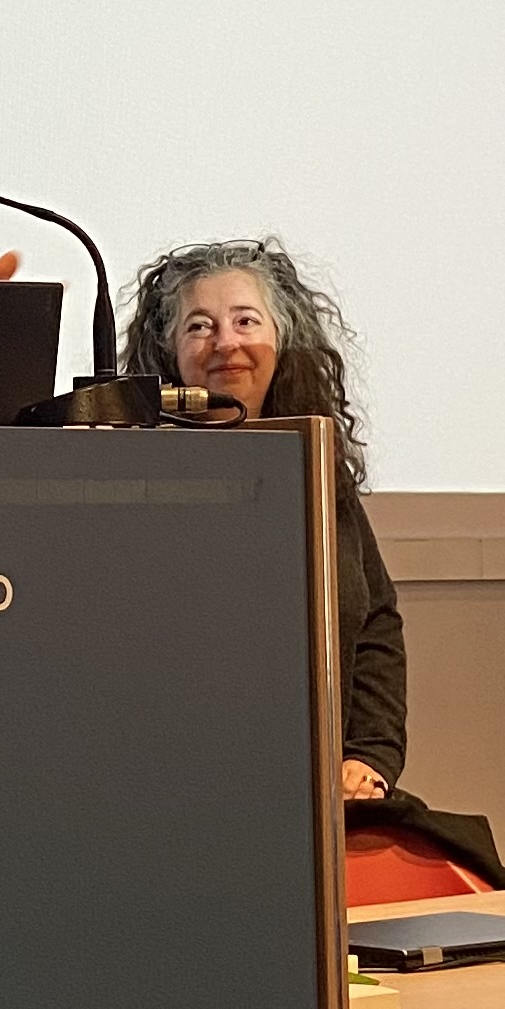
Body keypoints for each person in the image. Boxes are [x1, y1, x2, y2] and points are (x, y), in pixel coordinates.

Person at [121, 238, 405, 799]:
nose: (226, 342)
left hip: (323, 781)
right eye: (200, 326)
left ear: (283, 339)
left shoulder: (318, 468)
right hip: (174, 779)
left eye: (246, 321)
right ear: (168, 352)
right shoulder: (133, 474)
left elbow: (374, 623)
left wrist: (367, 756)